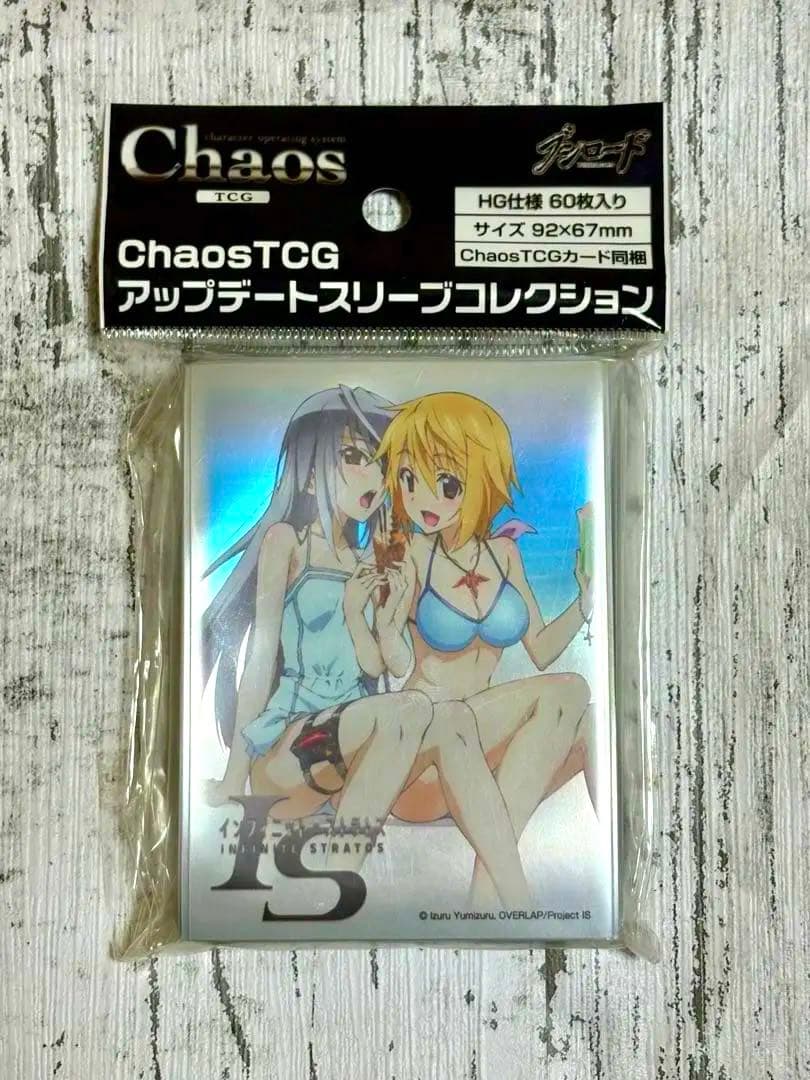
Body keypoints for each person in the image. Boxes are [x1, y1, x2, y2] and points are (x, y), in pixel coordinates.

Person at [202, 385, 531, 906]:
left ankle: (513, 897)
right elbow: (260, 659)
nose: (373, 480)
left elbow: (379, 665)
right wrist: (232, 777)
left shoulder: (373, 562)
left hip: (354, 754)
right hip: (293, 750)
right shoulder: (288, 543)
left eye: (381, 465)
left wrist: (378, 614)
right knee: (411, 708)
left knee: (450, 718)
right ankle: (333, 889)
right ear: (312, 472)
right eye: (353, 458)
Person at [372, 391, 595, 906]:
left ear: (479, 480)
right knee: (569, 689)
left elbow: (540, 649)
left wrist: (585, 603)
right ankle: (498, 890)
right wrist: (387, 623)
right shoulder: (409, 553)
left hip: (479, 760)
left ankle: (497, 890)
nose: (422, 498)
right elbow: (397, 663)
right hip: (423, 756)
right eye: (408, 479)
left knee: (592, 725)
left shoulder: (504, 554)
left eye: (445, 483)